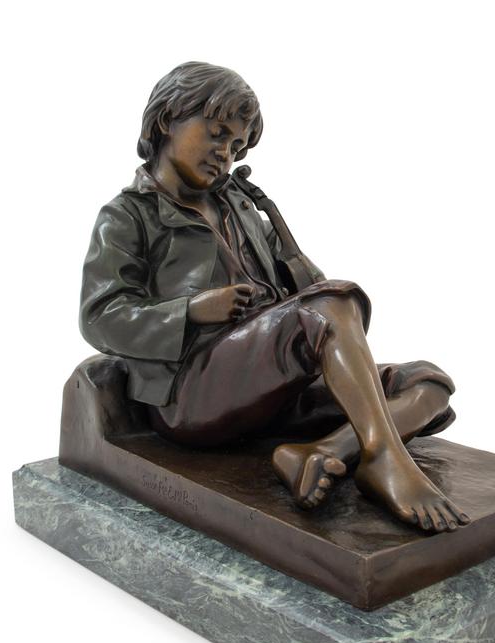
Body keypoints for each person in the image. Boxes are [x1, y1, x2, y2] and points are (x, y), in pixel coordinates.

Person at [79, 62, 470, 533]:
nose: (225, 154)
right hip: (191, 394)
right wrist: (191, 312)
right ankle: (383, 458)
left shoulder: (240, 208)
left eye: (236, 146)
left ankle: (323, 452)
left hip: (271, 387)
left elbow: (314, 298)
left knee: (428, 384)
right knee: (332, 307)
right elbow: (100, 315)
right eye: (217, 134)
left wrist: (276, 226)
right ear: (166, 120)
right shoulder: (128, 216)